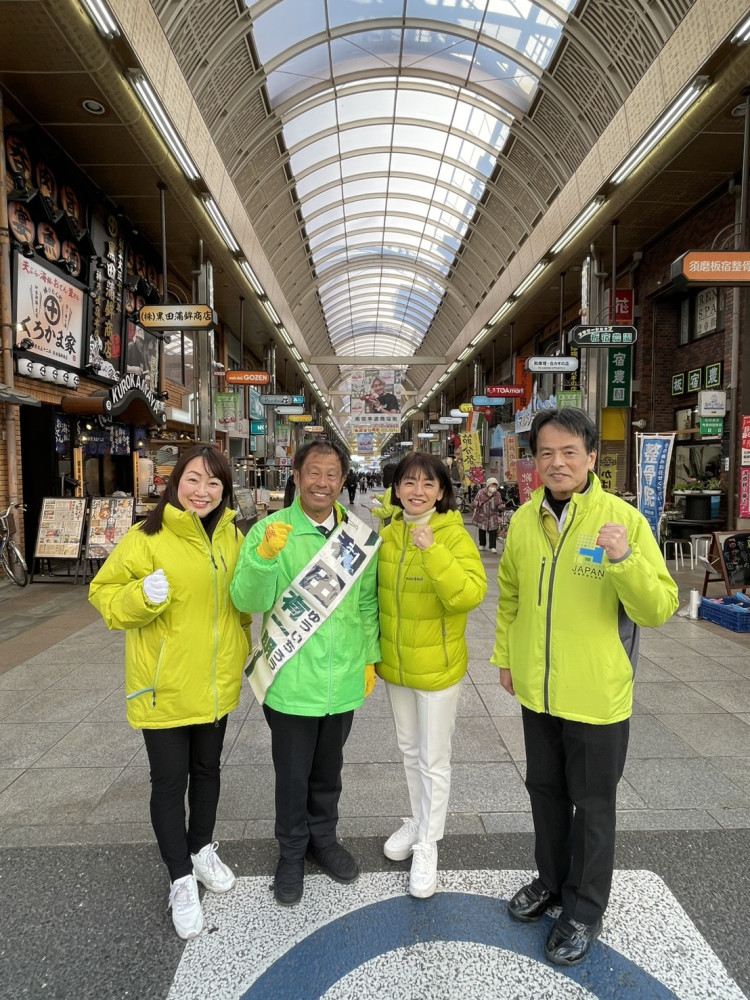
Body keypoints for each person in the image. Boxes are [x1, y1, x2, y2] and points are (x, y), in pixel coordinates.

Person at [492, 408, 678, 966]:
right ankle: (550, 880)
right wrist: (507, 658)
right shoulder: (525, 520)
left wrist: (623, 560)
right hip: (539, 691)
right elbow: (511, 597)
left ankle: (584, 909)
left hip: (598, 694)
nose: (557, 462)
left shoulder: (622, 521)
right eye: (545, 453)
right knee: (545, 792)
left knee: (593, 806)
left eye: (569, 452)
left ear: (592, 457)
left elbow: (659, 607)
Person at [88, 446, 251, 940]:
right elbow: (104, 593)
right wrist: (140, 597)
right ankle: (180, 877)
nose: (202, 492)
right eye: (194, 480)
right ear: (176, 481)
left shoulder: (232, 538)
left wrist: (244, 639)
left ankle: (201, 850)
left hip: (215, 683)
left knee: (207, 771)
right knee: (168, 782)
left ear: (225, 491)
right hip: (163, 686)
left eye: (214, 484)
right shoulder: (146, 537)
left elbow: (243, 602)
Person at [231, 440, 380, 907]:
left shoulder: (357, 534)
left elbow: (368, 604)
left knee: (328, 771)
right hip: (292, 682)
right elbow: (247, 601)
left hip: (342, 680)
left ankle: (324, 840)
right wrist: (262, 560)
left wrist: (370, 659)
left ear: (343, 480)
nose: (322, 482)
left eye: (332, 473)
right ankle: (292, 852)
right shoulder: (270, 530)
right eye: (313, 472)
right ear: (296, 476)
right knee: (293, 775)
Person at [376, 453, 487, 898]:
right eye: (408, 482)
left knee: (433, 757)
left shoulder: (453, 536)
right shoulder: (386, 536)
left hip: (439, 669)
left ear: (442, 491)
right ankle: (417, 819)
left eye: (427, 484)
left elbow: (469, 594)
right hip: (397, 665)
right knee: (408, 750)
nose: (417, 491)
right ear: (396, 488)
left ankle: (429, 842)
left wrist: (432, 551)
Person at [471, 476, 505, 552]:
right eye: (492, 485)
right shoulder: (481, 492)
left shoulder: (498, 494)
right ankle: (482, 544)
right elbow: (474, 502)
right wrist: (478, 503)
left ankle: (493, 547)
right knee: (482, 530)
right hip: (482, 515)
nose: (493, 487)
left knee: (493, 531)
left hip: (493, 516)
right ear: (488, 485)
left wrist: (502, 507)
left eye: (495, 486)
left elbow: (499, 505)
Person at [370, 462, 397, 533]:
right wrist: (377, 496)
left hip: (386, 527)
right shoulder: (397, 488)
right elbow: (389, 500)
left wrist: (374, 510)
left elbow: (386, 512)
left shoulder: (389, 490)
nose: (383, 477)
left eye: (384, 474)